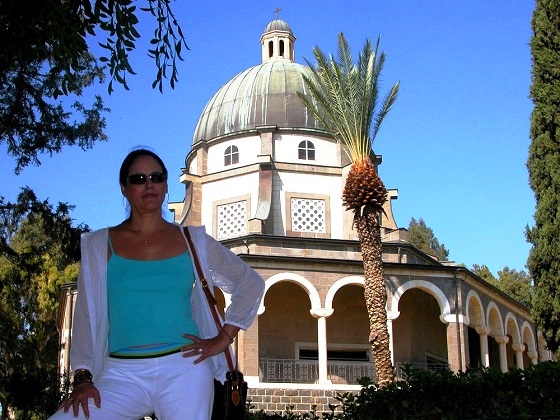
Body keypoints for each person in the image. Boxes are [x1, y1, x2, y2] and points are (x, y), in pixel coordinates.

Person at [50, 148, 265, 419]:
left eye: (156, 177)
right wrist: (82, 378)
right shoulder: (98, 244)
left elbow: (250, 282)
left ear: (165, 186)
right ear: (124, 189)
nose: (148, 184)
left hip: (184, 368)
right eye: (138, 178)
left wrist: (223, 339)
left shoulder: (193, 240)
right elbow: (85, 315)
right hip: (120, 373)